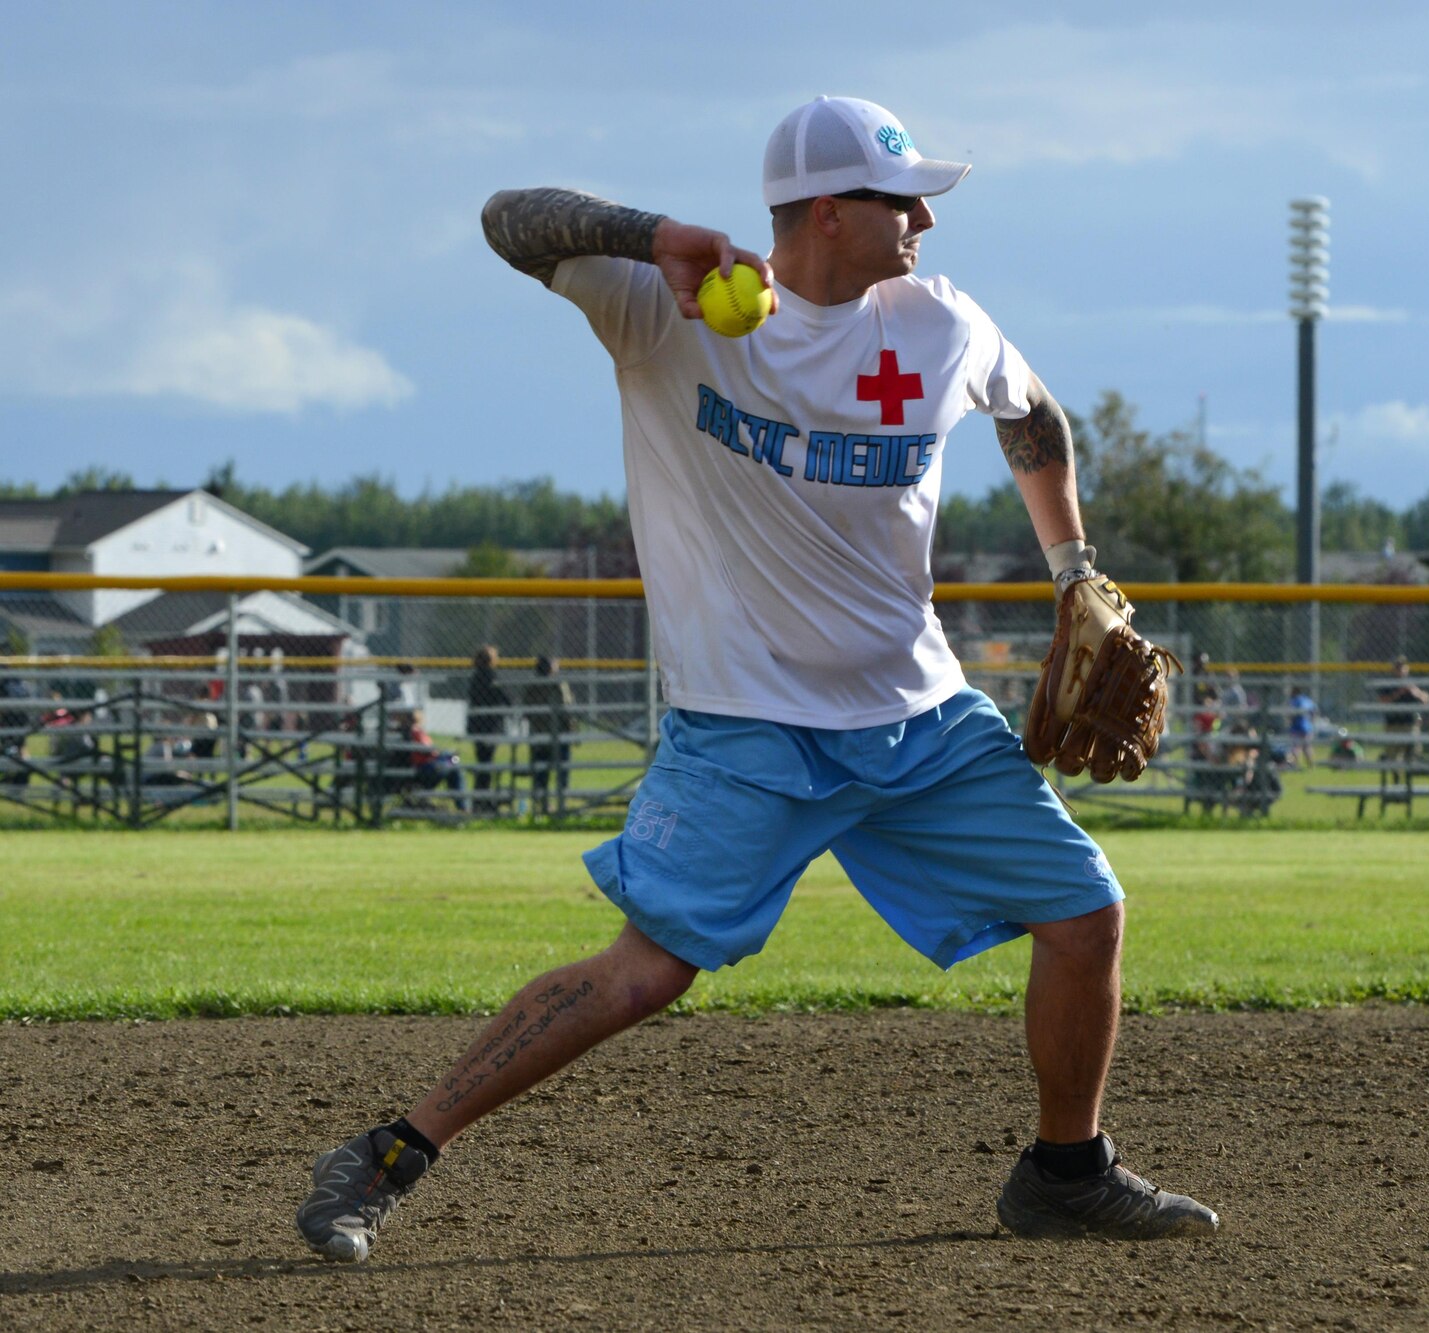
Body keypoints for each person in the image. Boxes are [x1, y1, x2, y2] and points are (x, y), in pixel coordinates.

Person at [295, 95, 1216, 1263]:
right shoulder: (667, 312)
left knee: (1086, 915)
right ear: (827, 213)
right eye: (901, 198)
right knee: (641, 973)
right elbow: (505, 217)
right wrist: (651, 232)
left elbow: (1031, 414)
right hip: (745, 728)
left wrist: (1072, 565)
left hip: (919, 720)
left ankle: (1064, 1172)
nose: (925, 215)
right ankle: (384, 1155)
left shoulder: (937, 321)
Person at [518, 655, 573, 813]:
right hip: (558, 735)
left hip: (538, 734)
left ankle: (541, 803)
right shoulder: (558, 684)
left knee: (541, 771)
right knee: (561, 770)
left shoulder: (532, 685)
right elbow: (566, 708)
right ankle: (559, 803)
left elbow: (526, 710)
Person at [466, 645, 511, 813]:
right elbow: (506, 699)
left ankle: (480, 799)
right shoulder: (492, 677)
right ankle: (482, 801)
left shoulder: (475, 677)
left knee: (483, 761)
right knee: (487, 763)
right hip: (490, 727)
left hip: (477, 726)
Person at [1378, 656, 1429, 768]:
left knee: (1414, 753)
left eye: (1403, 667)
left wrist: (1417, 692)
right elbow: (1383, 701)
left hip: (1410, 723)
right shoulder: (1388, 684)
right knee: (1393, 756)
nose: (1401, 670)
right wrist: (1399, 692)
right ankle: (1396, 779)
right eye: (1398, 667)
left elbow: (1426, 699)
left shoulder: (1412, 683)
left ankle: (1409, 777)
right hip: (1393, 724)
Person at [1287, 687, 1316, 768]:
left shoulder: (1294, 701)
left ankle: (1295, 765)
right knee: (1307, 747)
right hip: (1307, 728)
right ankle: (1311, 765)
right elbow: (1314, 713)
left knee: (1296, 747)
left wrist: (1290, 721)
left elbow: (1291, 714)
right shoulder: (1308, 700)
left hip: (1297, 727)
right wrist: (1311, 722)